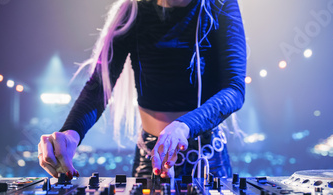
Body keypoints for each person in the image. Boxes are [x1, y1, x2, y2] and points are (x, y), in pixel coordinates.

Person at [38, 0, 246, 179]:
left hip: (206, 154)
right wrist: (71, 133)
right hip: (151, 154)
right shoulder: (132, 10)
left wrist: (183, 127)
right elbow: (99, 87)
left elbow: (234, 89)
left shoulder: (220, 5)